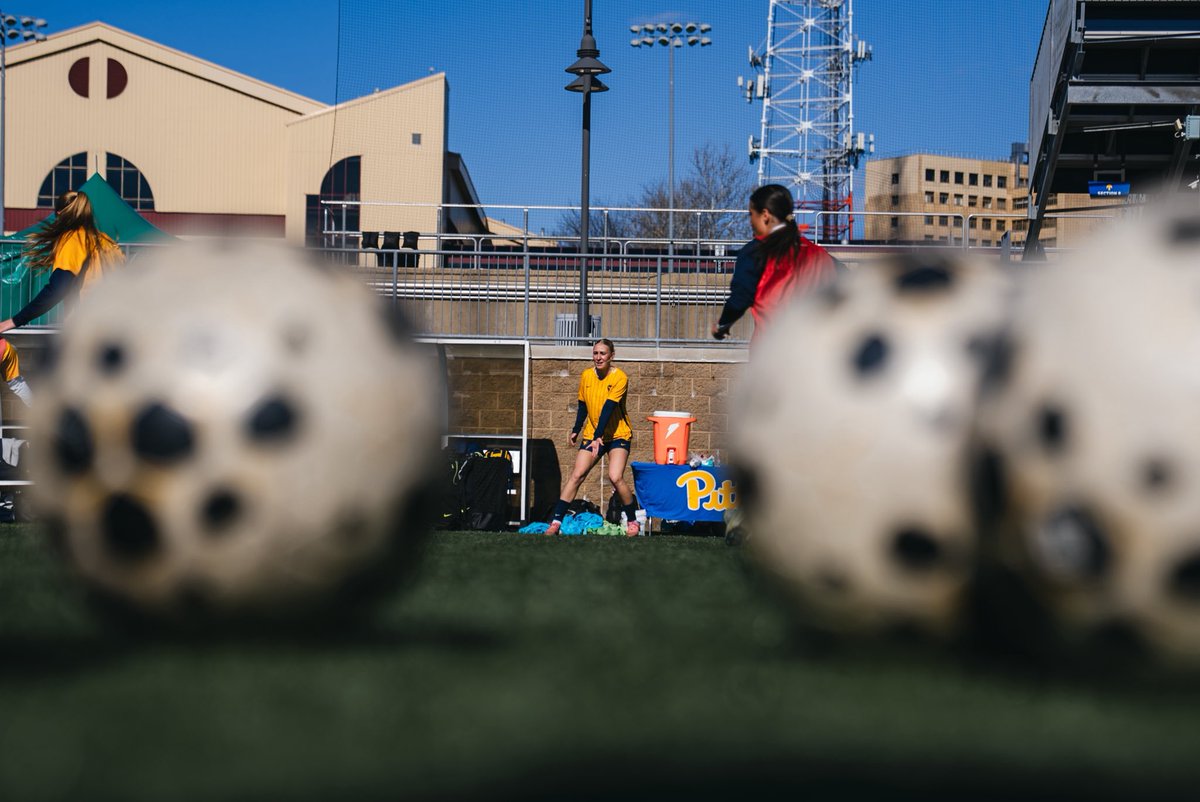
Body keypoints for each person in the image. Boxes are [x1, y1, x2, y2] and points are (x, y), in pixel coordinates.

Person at [711, 183, 839, 343]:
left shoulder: (755, 252)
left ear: (765, 215)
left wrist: (722, 325)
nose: (750, 221)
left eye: (751, 214)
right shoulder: (820, 255)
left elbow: (739, 299)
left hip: (773, 351)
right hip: (814, 352)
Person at [546, 338, 641, 537]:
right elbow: (583, 404)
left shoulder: (620, 378)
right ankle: (555, 523)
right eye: (595, 353)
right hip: (592, 434)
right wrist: (576, 428)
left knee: (615, 477)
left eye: (603, 353)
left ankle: (633, 520)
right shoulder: (586, 375)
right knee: (577, 475)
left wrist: (599, 436)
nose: (598, 357)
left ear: (611, 356)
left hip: (617, 434)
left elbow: (608, 408)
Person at [0, 190, 124, 336]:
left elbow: (57, 289)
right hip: (117, 331)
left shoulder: (73, 240)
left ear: (59, 214)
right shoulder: (108, 242)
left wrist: (12, 321)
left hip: (87, 333)